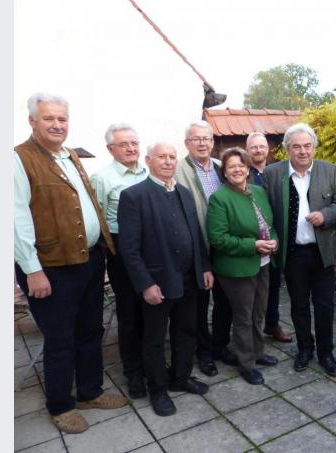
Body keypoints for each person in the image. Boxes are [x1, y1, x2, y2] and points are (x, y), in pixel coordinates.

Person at [14, 93, 127, 434]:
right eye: (49, 119)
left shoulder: (69, 155)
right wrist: (32, 269)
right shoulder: (19, 159)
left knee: (90, 330)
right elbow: (16, 217)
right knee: (60, 339)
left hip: (88, 259)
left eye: (62, 119)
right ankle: (61, 405)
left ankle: (90, 392)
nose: (57, 125)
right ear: (33, 121)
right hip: (50, 267)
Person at [117, 142, 212, 416]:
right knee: (154, 339)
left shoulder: (183, 192)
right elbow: (129, 249)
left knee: (186, 331)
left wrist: (204, 267)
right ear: (148, 160)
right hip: (158, 283)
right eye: (162, 157)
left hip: (188, 279)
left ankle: (180, 378)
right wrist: (146, 284)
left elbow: (195, 233)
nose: (169, 162)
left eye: (172, 157)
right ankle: (158, 389)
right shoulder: (134, 196)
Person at [263, 123, 336, 377]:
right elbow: (265, 213)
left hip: (321, 250)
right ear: (287, 149)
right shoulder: (272, 173)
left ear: (314, 147)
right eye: (296, 146)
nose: (302, 151)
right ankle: (304, 349)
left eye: (307, 146)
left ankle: (326, 352)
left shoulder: (330, 171)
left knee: (324, 305)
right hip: (292, 252)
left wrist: (326, 215)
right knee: (298, 305)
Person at [207, 148, 280, 385]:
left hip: (264, 263)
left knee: (259, 312)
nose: (237, 170)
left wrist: (274, 240)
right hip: (237, 269)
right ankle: (246, 363)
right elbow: (218, 238)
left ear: (248, 169)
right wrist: (254, 245)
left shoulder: (258, 191)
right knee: (243, 317)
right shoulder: (220, 198)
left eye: (241, 165)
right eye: (231, 167)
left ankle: (258, 352)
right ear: (225, 173)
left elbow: (269, 224)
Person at [90, 123, 149, 399]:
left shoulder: (148, 171)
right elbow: (97, 219)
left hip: (152, 250)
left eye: (134, 143)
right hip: (122, 252)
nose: (131, 148)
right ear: (110, 149)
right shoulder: (102, 178)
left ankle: (152, 362)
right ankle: (133, 372)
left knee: (152, 310)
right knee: (129, 315)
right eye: (124, 144)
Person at [174, 120, 237, 376]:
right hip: (196, 246)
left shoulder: (222, 168)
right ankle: (204, 352)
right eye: (196, 139)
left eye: (207, 139)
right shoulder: (178, 170)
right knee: (199, 304)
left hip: (223, 245)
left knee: (225, 300)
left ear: (213, 142)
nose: (202, 143)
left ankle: (220, 344)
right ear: (187, 142)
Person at [246, 132, 292, 343]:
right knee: (250, 290)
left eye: (262, 146)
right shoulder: (243, 172)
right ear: (248, 150)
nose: (258, 150)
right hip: (251, 240)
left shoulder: (278, 172)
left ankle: (271, 324)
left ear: (268, 149)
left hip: (275, 237)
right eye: (254, 147)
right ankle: (248, 331)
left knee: (273, 285)